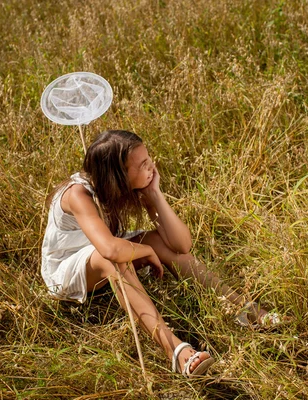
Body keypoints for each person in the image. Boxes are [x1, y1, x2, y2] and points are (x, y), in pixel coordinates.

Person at [41, 130, 283, 377]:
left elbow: (181, 245)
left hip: (105, 249)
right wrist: (144, 250)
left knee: (156, 240)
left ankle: (244, 309)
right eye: (143, 164)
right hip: (68, 269)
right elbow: (110, 248)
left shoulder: (128, 186)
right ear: (118, 175)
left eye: (148, 159)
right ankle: (175, 350)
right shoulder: (77, 194)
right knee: (115, 260)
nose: (151, 167)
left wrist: (154, 194)